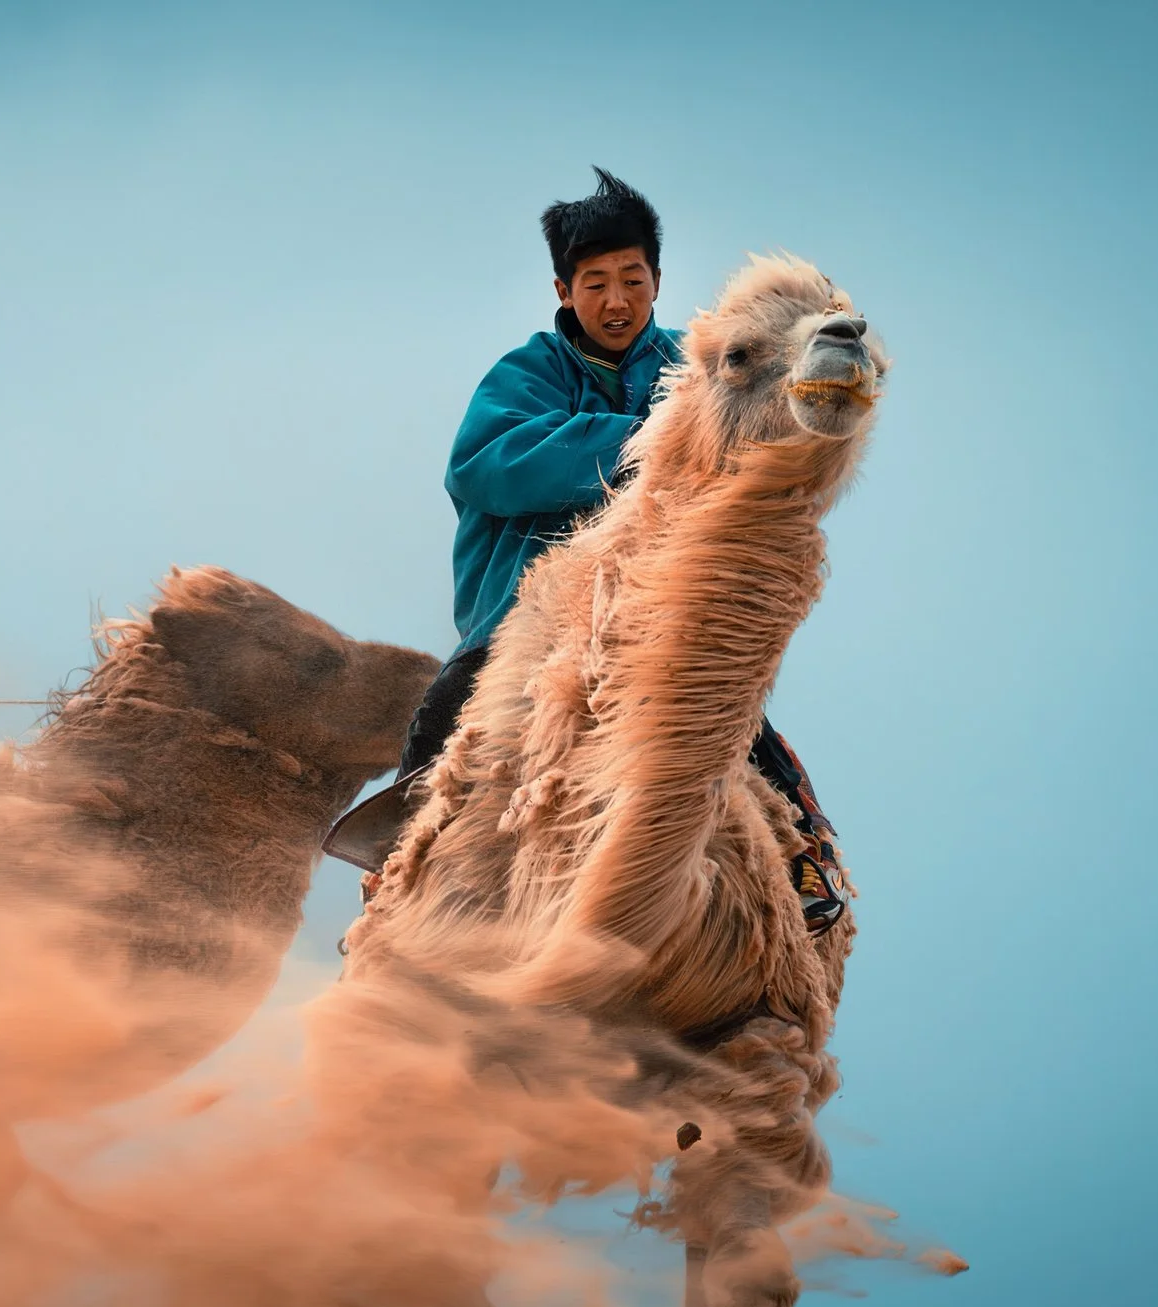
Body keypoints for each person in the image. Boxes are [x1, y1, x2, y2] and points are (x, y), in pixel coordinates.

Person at [328, 170, 845, 932]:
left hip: (657, 622)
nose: (616, 300)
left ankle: (806, 856)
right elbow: (486, 463)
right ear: (563, 290)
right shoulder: (530, 374)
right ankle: (405, 866)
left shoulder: (696, 370)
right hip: (523, 624)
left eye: (631, 279)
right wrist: (657, 441)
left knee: (736, 725)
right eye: (595, 282)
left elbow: (761, 423)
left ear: (658, 281)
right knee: (452, 713)